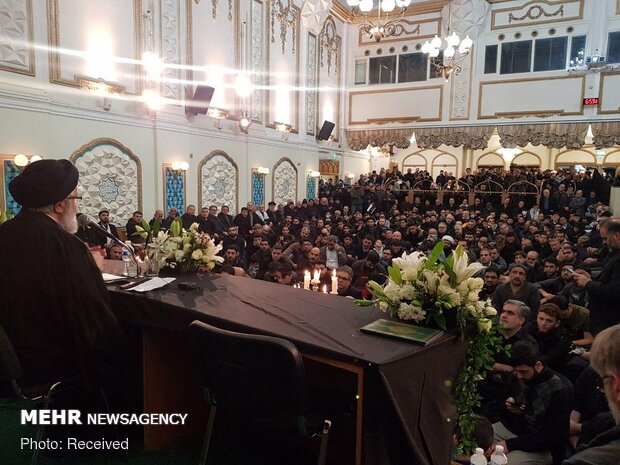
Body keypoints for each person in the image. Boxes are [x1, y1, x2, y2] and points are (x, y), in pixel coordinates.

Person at [0, 159, 128, 407]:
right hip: (47, 361)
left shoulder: (4, 233)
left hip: (11, 360)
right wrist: (93, 270)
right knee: (127, 349)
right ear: (60, 205)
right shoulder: (66, 246)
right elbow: (92, 317)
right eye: (76, 199)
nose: (77, 208)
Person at [493, 341, 572, 465]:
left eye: (523, 372)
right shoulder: (517, 377)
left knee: (505, 462)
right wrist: (512, 407)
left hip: (543, 446)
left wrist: (510, 445)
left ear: (538, 365)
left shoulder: (560, 390)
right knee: (477, 439)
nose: (519, 376)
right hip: (516, 431)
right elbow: (501, 408)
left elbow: (553, 436)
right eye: (517, 371)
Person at [562, 324, 620, 465]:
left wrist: (580, 429)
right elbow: (578, 402)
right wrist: (573, 431)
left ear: (616, 386)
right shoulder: (589, 374)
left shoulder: (586, 461)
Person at [574, 217, 620, 335]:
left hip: (611, 319)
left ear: (617, 236)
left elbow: (613, 291)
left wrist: (588, 283)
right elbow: (607, 276)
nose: (604, 242)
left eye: (605, 238)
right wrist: (589, 276)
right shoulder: (614, 252)